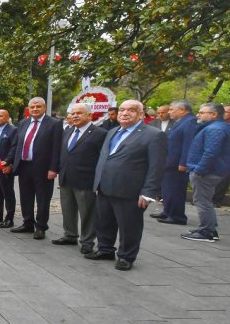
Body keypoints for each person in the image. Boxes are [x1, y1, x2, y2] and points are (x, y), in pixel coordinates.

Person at [87, 100, 166, 270]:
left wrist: (148, 193)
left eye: (131, 110)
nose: (124, 113)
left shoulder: (153, 135)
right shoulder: (113, 131)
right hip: (105, 187)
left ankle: (126, 256)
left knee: (129, 225)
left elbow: (157, 167)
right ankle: (105, 249)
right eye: (122, 109)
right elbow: (105, 158)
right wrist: (97, 183)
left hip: (130, 191)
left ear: (141, 114)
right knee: (104, 222)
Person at [53, 104, 106, 254]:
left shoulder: (99, 133)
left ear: (90, 115)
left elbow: (102, 159)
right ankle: (70, 235)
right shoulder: (68, 130)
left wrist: (98, 182)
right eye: (73, 113)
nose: (75, 116)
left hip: (85, 180)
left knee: (87, 212)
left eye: (79, 113)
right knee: (67, 209)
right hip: (66, 178)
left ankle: (87, 241)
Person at [10, 97, 63, 239]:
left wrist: (53, 168)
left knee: (43, 198)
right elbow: (17, 145)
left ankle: (41, 227)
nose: (35, 109)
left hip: (43, 168)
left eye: (38, 106)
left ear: (44, 108)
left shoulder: (54, 124)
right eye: (32, 107)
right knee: (25, 196)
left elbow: (56, 148)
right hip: (24, 165)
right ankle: (27, 222)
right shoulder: (23, 123)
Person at [181, 103, 230, 242]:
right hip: (211, 170)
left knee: (202, 201)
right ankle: (209, 228)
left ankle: (207, 232)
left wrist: (199, 170)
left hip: (206, 172)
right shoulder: (218, 127)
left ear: (214, 114)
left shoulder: (215, 129)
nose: (198, 114)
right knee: (205, 200)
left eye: (202, 112)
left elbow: (211, 152)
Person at [153, 100, 197, 226]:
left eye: (172, 109)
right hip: (170, 161)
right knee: (167, 189)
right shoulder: (180, 122)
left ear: (182, 110)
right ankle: (168, 211)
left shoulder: (190, 122)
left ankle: (177, 216)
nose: (170, 112)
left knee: (175, 190)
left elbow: (188, 144)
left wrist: (184, 162)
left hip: (177, 163)